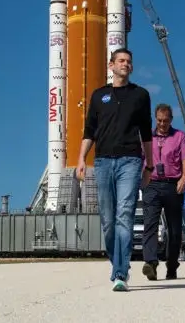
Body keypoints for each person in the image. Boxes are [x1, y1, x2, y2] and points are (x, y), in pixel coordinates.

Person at [75, 48, 154, 292]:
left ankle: (121, 272)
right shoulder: (99, 96)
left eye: (129, 61)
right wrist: (81, 159)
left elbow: (146, 133)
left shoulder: (140, 95)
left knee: (124, 215)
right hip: (103, 162)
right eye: (121, 61)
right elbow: (90, 131)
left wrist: (149, 165)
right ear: (111, 65)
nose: (125, 64)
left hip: (130, 161)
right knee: (108, 221)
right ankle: (116, 262)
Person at [140, 103, 185, 281]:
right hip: (152, 184)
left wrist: (184, 178)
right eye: (160, 121)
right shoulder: (147, 137)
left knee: (174, 229)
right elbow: (140, 158)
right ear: (156, 119)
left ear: (171, 120)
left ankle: (171, 264)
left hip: (172, 185)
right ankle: (151, 262)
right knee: (150, 225)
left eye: (166, 121)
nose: (162, 124)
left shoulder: (179, 137)